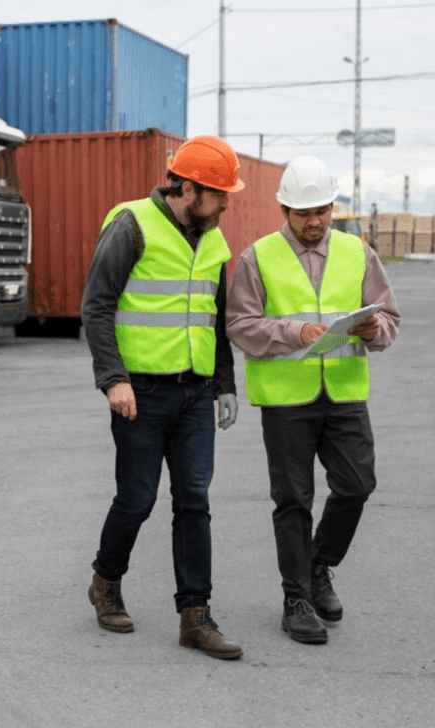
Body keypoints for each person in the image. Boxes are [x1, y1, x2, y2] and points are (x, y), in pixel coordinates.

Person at [81, 135, 245, 660]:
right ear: (189, 188)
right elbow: (96, 307)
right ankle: (105, 582)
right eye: (219, 194)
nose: (227, 203)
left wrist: (224, 383)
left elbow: (214, 321)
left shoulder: (215, 240)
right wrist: (114, 378)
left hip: (195, 392)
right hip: (142, 393)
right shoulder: (131, 225)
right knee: (137, 498)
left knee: (194, 500)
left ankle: (194, 615)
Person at [226, 156, 401, 644]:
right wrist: (294, 330)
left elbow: (389, 319)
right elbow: (239, 325)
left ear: (332, 205)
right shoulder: (256, 258)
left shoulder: (358, 253)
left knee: (356, 486)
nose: (314, 221)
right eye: (303, 212)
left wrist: (374, 328)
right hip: (287, 399)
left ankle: (319, 565)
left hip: (344, 392)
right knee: (293, 500)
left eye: (321, 209)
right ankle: (296, 598)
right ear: (284, 208)